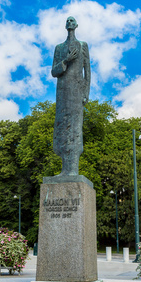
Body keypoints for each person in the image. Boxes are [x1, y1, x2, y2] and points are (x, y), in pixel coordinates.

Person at [51, 16, 91, 176]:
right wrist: (66, 61)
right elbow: (54, 71)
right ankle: (64, 170)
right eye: (67, 21)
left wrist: (86, 93)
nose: (69, 23)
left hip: (76, 92)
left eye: (72, 21)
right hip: (62, 92)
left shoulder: (83, 46)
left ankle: (73, 170)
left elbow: (87, 72)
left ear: (76, 25)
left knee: (74, 128)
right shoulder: (59, 48)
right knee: (62, 127)